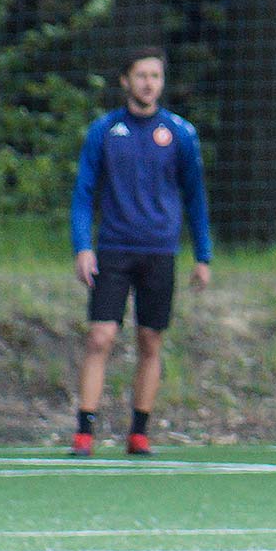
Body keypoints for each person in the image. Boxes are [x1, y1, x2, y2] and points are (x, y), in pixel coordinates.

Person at [68, 46, 211, 457]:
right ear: (125, 81)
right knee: (101, 336)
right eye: (142, 76)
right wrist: (83, 246)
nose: (149, 84)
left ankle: (139, 432)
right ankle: (84, 432)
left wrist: (203, 256)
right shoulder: (104, 131)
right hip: (114, 249)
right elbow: (83, 194)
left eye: (156, 76)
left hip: (159, 251)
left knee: (150, 340)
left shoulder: (180, 133)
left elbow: (195, 197)